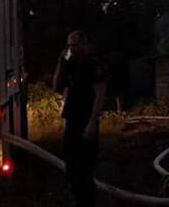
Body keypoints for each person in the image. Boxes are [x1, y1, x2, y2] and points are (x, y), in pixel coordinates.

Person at [53, 30, 107, 207]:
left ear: (84, 45)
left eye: (74, 45)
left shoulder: (93, 64)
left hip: (86, 120)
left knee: (85, 167)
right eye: (69, 45)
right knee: (71, 164)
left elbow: (100, 95)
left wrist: (92, 123)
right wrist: (61, 63)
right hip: (72, 118)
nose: (71, 49)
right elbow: (57, 87)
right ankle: (78, 199)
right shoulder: (71, 64)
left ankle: (87, 201)